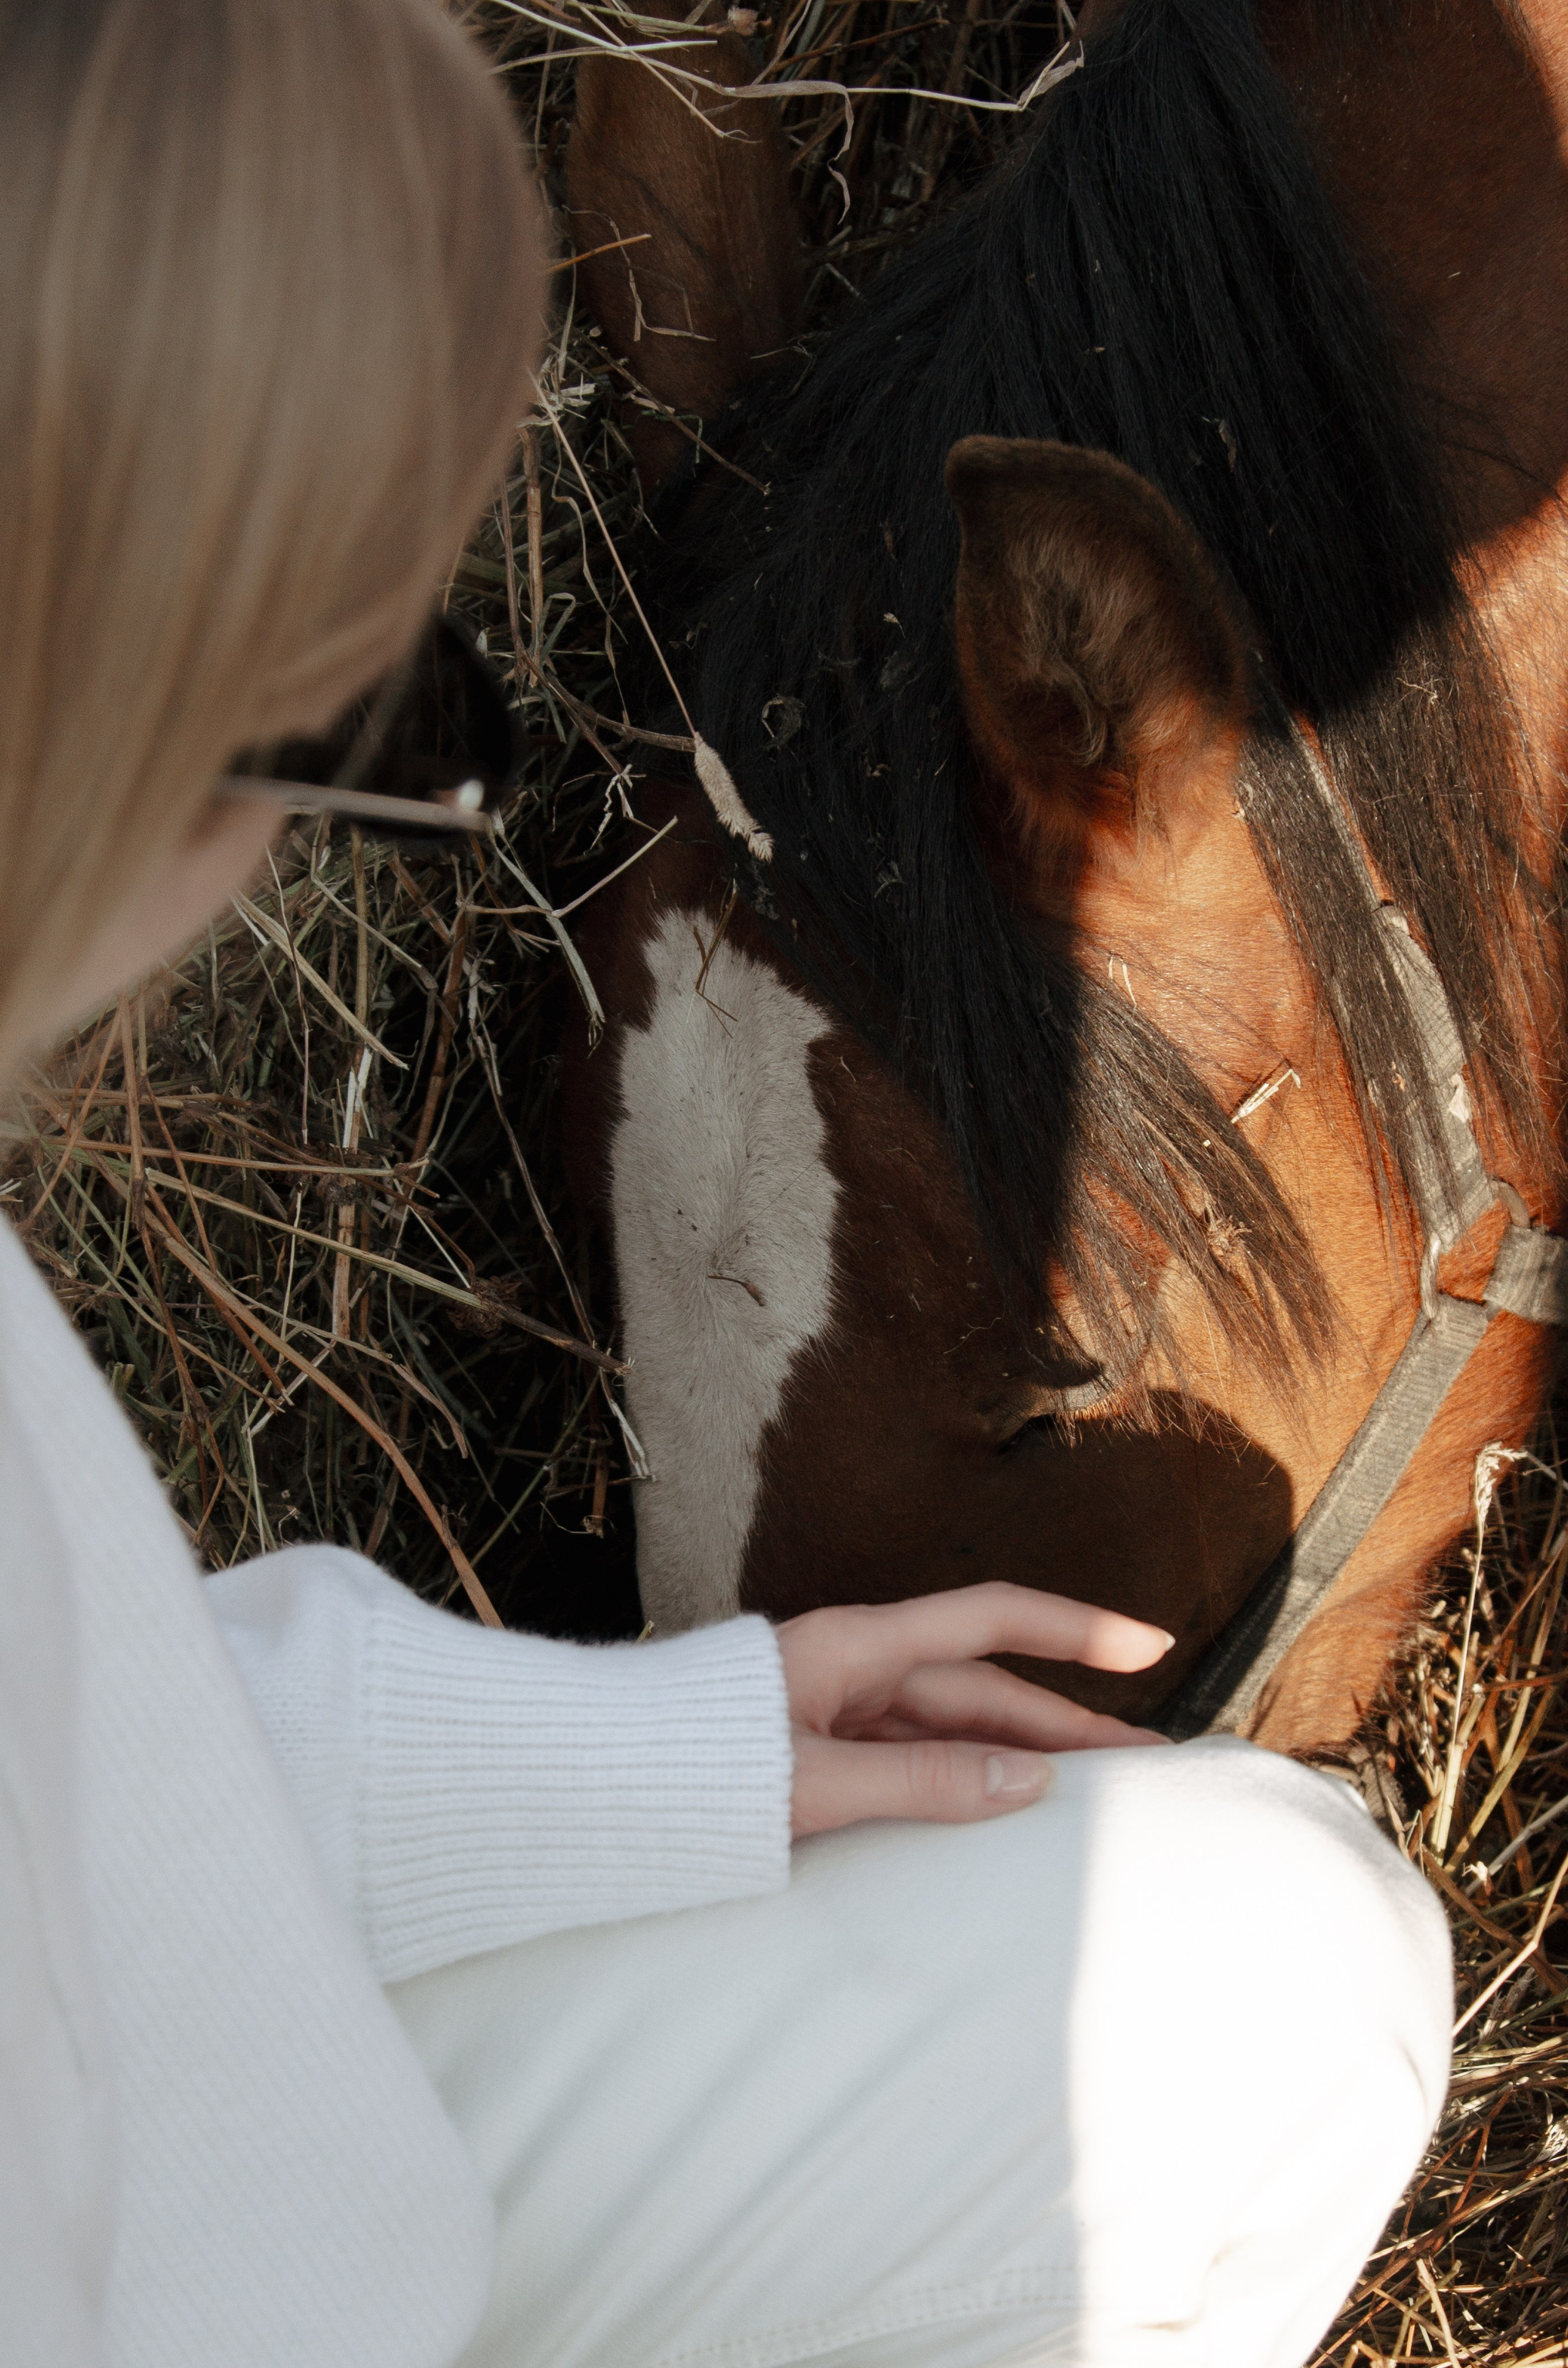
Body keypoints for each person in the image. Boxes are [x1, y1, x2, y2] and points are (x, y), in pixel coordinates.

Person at [0, 4, 1453, 2365]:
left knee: (1300, 1969)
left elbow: (49, 1734)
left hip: (198, 2119)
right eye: (366, 720)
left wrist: (644, 1750)